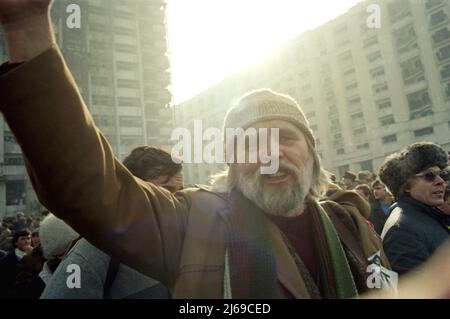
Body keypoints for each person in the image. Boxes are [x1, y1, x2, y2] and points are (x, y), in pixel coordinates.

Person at [0, 0, 391, 298]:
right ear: (232, 163)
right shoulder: (193, 224)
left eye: (285, 138)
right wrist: (27, 27)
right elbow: (93, 191)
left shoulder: (350, 224)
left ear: (313, 154)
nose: (270, 153)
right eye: (251, 142)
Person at [41, 146, 178, 299]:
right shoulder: (94, 252)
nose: (175, 202)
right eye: (165, 191)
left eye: (180, 192)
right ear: (131, 193)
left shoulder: (188, 244)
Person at [379, 142, 450, 275]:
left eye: (443, 174)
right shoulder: (401, 231)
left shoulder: (427, 215)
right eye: (429, 175)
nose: (440, 181)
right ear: (406, 186)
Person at [0, 230, 32, 298]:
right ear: (16, 243)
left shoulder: (34, 256)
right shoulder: (7, 260)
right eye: (23, 239)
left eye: (28, 238)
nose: (27, 241)